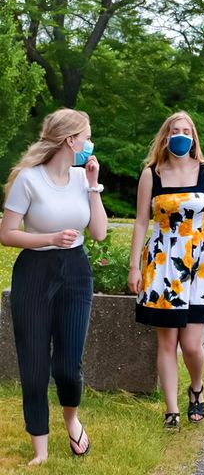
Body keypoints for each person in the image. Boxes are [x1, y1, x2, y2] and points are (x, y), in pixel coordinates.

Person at [0, 108, 108, 464]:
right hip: (34, 273)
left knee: (67, 365)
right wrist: (48, 237)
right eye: (86, 136)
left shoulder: (81, 178)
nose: (89, 143)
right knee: (33, 365)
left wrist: (93, 186)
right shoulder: (28, 180)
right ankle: (40, 452)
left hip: (76, 272)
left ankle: (71, 418)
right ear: (70, 140)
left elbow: (99, 232)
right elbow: (7, 234)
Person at [128, 111, 204, 431]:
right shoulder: (152, 174)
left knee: (191, 345)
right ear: (165, 136)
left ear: (194, 136)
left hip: (197, 264)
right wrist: (134, 266)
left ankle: (196, 388)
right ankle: (171, 410)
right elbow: (141, 221)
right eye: (175, 130)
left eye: (186, 130)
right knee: (167, 342)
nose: (181, 135)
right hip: (160, 264)